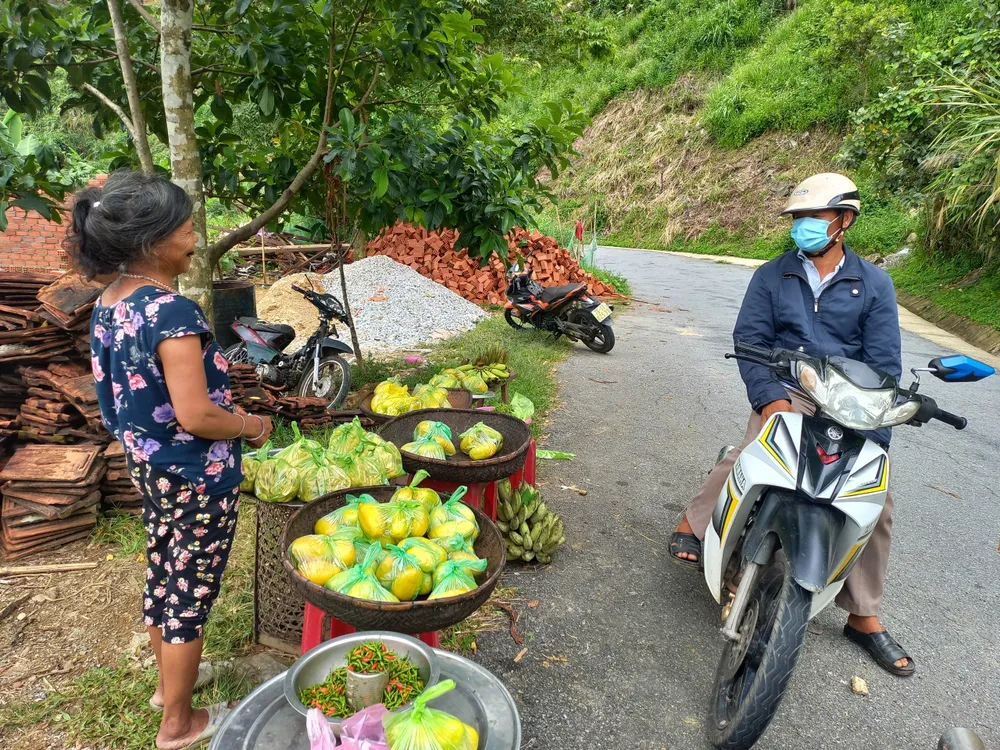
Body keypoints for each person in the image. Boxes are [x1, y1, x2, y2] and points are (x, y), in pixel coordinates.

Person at [668, 173, 914, 677]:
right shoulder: (773, 275)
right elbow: (749, 339)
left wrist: (875, 440)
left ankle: (864, 614)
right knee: (751, 453)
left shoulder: (874, 285)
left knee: (878, 500)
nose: (803, 226)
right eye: (798, 218)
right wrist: (770, 399)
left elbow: (885, 366)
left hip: (849, 405)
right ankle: (693, 525)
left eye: (814, 217)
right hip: (789, 391)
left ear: (843, 221)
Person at [69, 171, 274, 749]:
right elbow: (198, 416)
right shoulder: (170, 312)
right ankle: (179, 724)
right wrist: (255, 426)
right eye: (184, 228)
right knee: (190, 587)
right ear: (151, 241)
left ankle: (168, 689)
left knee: (166, 564)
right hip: (195, 472)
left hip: (151, 468)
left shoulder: (110, 302)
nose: (193, 238)